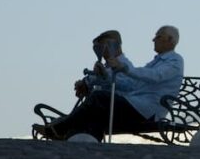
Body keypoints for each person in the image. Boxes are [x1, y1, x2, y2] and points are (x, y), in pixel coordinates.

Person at [41, 25, 184, 141]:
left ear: (170, 40)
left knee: (99, 98)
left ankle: (59, 129)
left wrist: (124, 68)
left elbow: (155, 76)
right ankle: (84, 141)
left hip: (147, 110)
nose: (153, 39)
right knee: (98, 108)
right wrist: (105, 77)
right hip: (137, 106)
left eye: (158, 36)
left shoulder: (175, 61)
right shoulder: (156, 62)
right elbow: (132, 85)